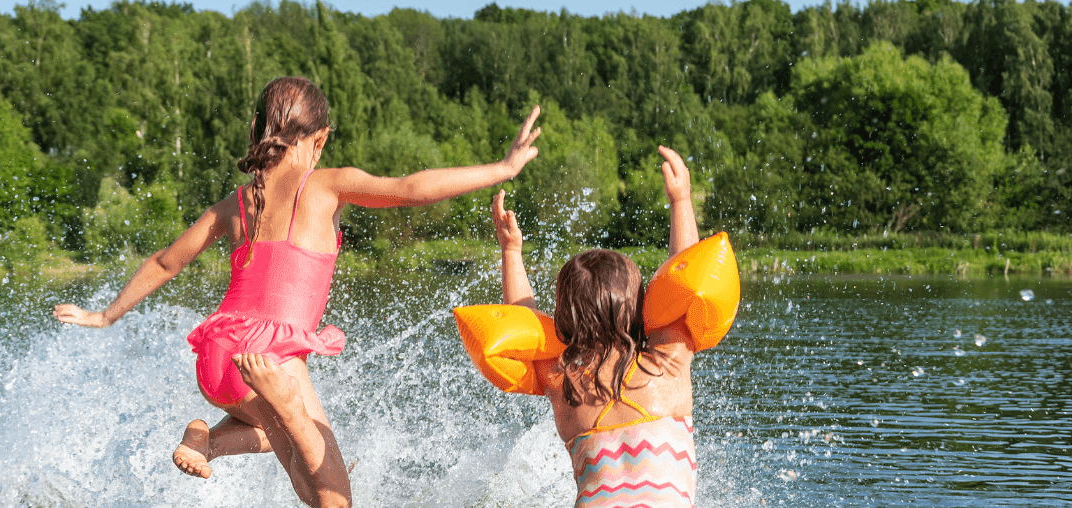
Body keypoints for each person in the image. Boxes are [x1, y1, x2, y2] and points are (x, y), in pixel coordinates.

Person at [54, 76, 542, 507]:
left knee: (273, 434)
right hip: (272, 355)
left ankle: (205, 438)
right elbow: (411, 188)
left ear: (258, 130)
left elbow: (166, 262)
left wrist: (105, 315)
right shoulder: (327, 185)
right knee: (333, 501)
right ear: (320, 139)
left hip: (217, 357)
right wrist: (503, 169)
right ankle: (218, 439)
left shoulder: (235, 202)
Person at [489, 146, 702, 508]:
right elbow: (686, 275)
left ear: (564, 319)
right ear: (637, 307)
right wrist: (681, 199)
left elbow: (524, 326)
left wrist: (511, 251)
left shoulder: (562, 382)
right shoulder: (669, 363)